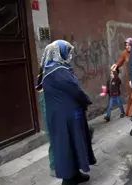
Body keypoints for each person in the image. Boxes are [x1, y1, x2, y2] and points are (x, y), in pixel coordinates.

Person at [35, 40, 96, 185]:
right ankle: (68, 179)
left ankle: (75, 175)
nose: (69, 55)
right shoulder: (58, 71)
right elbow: (75, 90)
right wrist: (86, 100)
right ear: (59, 53)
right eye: (67, 51)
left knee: (71, 143)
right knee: (67, 145)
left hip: (62, 115)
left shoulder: (50, 69)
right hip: (66, 117)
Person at [111, 38, 132, 119]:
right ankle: (131, 111)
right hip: (129, 77)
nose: (127, 47)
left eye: (129, 45)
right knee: (131, 93)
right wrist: (115, 65)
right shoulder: (124, 53)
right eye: (126, 45)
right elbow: (120, 62)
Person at [38, 91, 55, 177]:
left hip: (49, 96)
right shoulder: (47, 79)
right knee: (53, 136)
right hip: (48, 96)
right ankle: (54, 167)